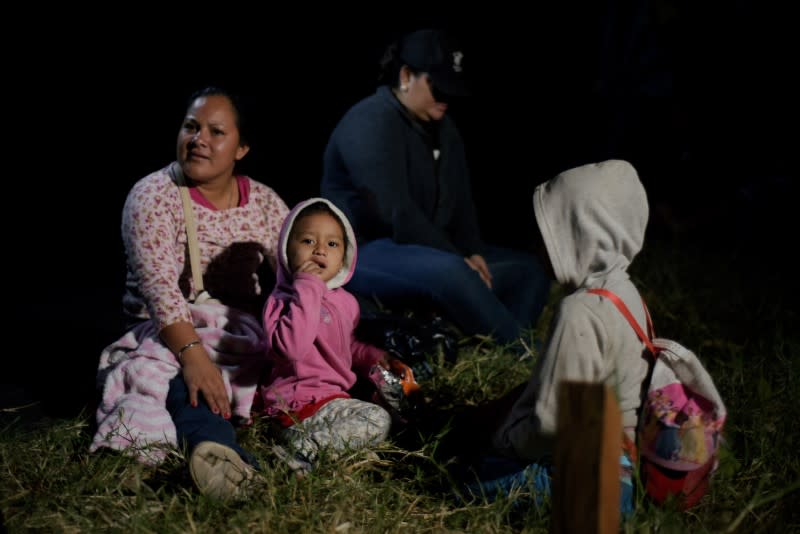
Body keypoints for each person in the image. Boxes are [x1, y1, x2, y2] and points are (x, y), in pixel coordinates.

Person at [91, 86, 290, 500]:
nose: (199, 139)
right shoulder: (153, 196)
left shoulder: (266, 204)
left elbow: (296, 276)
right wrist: (194, 357)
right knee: (179, 383)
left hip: (240, 333)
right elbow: (161, 292)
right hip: (167, 333)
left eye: (216, 132)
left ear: (242, 147)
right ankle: (218, 455)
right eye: (191, 127)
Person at [320, 28, 551, 346]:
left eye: (451, 87)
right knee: (453, 272)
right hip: (363, 251)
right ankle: (524, 354)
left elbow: (463, 203)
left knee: (528, 271)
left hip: (428, 250)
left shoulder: (443, 126)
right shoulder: (369, 121)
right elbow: (395, 213)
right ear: (406, 76)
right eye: (437, 86)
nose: (446, 97)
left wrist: (473, 252)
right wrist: (460, 259)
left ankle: (492, 345)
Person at [463, 159, 651, 516]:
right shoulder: (627, 296)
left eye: (549, 233)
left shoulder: (579, 310)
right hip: (625, 478)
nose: (537, 246)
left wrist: (503, 440)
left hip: (584, 488)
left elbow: (551, 424)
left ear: (582, 233)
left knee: (464, 476)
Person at [256, 197, 397, 474]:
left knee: (393, 410)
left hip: (332, 402)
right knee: (376, 419)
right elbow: (291, 349)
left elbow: (346, 346)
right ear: (287, 249)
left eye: (332, 244)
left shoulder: (346, 302)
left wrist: (374, 357)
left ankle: (309, 452)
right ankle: (298, 451)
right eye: (308, 241)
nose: (320, 249)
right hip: (296, 405)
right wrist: (307, 288)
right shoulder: (281, 300)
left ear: (345, 256)